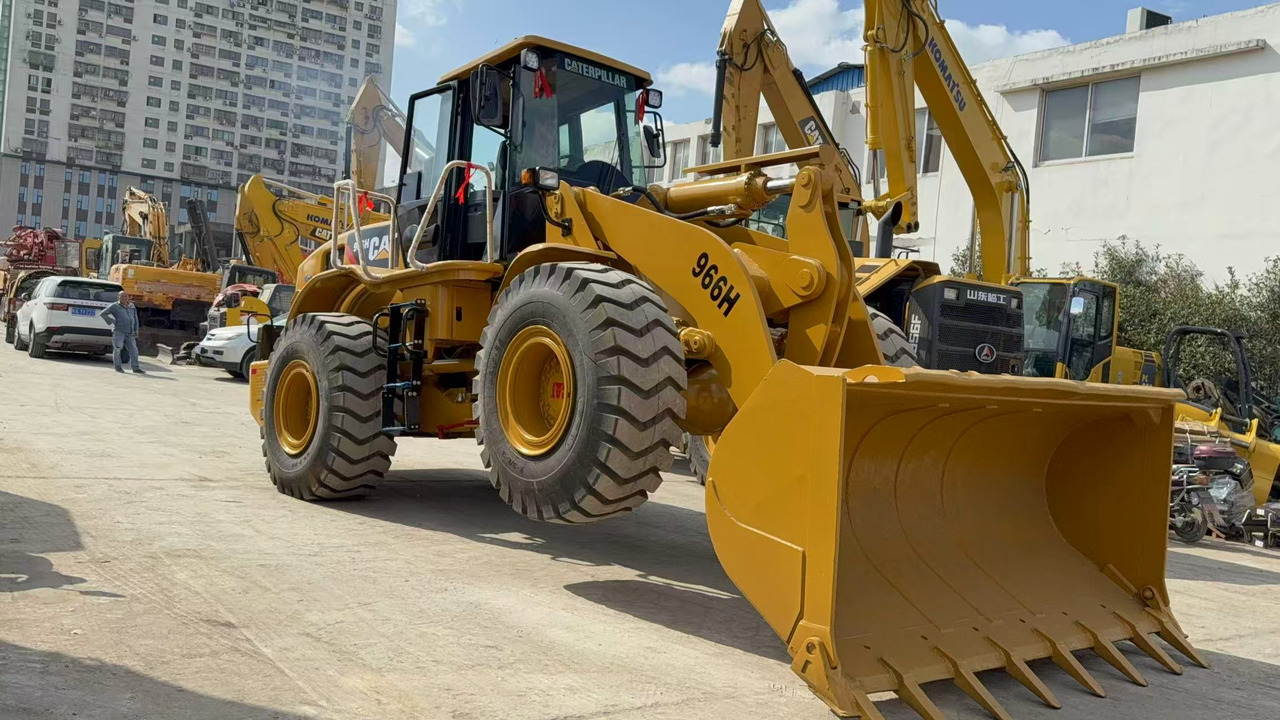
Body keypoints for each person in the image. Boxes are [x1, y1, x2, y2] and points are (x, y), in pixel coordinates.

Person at [99, 291, 144, 374]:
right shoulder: (114, 306)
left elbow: (135, 319)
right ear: (118, 297)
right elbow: (103, 313)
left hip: (130, 333)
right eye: (122, 296)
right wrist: (112, 321)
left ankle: (136, 368)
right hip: (119, 332)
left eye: (126, 296)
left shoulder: (132, 306)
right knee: (117, 349)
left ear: (128, 297)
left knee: (134, 350)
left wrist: (136, 330)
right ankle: (118, 367)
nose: (124, 298)